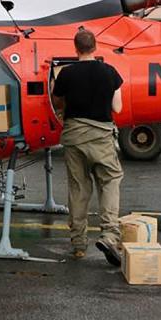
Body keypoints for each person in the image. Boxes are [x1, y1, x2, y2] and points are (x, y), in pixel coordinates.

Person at [51, 28, 125, 265]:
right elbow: (118, 108)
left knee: (79, 189)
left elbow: (57, 101)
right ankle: (109, 234)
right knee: (110, 180)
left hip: (73, 136)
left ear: (76, 49)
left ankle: (79, 244)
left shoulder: (66, 74)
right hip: (101, 137)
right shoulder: (110, 73)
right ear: (96, 47)